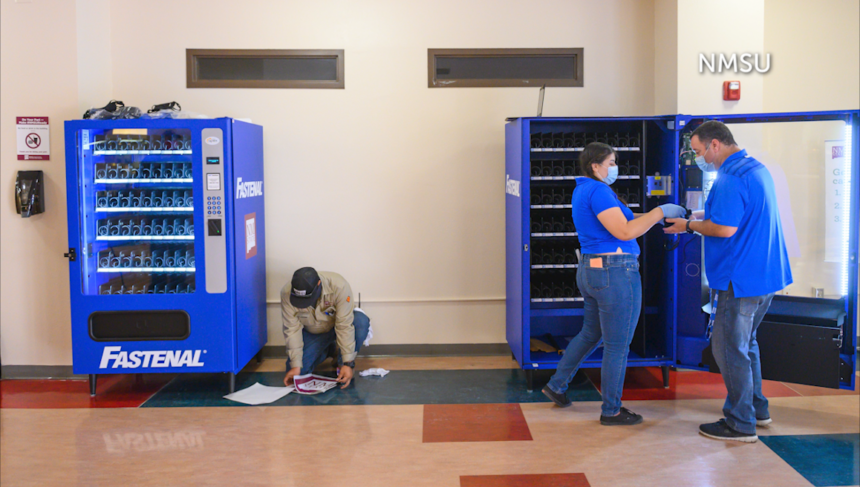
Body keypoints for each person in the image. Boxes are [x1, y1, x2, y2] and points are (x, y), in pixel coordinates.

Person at [664, 121, 792, 443]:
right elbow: (737, 215)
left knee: (725, 348)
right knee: (746, 344)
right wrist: (693, 217)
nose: (697, 158)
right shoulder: (754, 169)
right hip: (765, 276)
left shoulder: (730, 177)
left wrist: (689, 227)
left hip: (740, 280)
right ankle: (756, 409)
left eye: (697, 151)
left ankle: (739, 423)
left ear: (715, 145)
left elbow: (723, 228)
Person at [541, 142, 686, 425]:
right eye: (611, 162)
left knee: (589, 334)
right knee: (617, 345)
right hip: (616, 273)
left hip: (592, 270)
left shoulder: (583, 189)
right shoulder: (599, 190)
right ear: (595, 166)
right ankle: (612, 410)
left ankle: (557, 385)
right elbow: (624, 231)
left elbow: (626, 222)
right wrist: (658, 211)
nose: (614, 167)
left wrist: (660, 218)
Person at [281, 267, 371, 389]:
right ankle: (329, 349)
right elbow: (291, 330)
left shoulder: (339, 286)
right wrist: (296, 365)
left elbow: (344, 325)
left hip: (339, 326)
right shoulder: (286, 293)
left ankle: (340, 364)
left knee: (360, 321)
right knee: (297, 375)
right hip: (315, 332)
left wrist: (347, 363)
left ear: (319, 284)